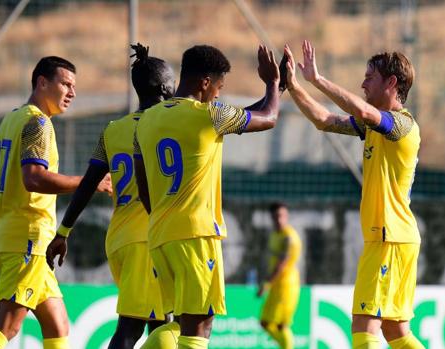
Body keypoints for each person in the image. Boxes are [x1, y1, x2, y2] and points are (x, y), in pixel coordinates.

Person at [133, 44, 281, 349]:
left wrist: (280, 89)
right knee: (200, 327)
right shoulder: (209, 115)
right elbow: (268, 117)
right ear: (205, 82)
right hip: (197, 234)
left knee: (179, 325)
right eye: (219, 86)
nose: (218, 94)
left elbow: (142, 181)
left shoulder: (146, 120)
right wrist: (273, 84)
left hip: (160, 233)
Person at [284, 41, 423, 349]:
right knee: (396, 332)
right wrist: (293, 86)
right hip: (394, 238)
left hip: (390, 237)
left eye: (369, 77)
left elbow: (362, 110)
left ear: (391, 83)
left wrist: (317, 79)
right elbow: (324, 120)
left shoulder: (401, 124)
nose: (362, 83)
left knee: (364, 326)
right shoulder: (375, 126)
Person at [46, 43, 179, 349]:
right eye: (173, 84)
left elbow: (89, 183)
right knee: (131, 329)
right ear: (163, 88)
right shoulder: (167, 125)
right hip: (145, 240)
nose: (177, 90)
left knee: (161, 322)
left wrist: (63, 231)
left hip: (119, 239)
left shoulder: (112, 130)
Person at [0, 56, 111, 349]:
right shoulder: (37, 123)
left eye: (74, 86)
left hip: (18, 238)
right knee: (7, 327)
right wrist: (90, 181)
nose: (72, 93)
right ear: (42, 82)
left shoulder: (10, 121)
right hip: (27, 237)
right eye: (65, 83)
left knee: (58, 326)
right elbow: (34, 179)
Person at [257, 202, 301, 349]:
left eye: (281, 215)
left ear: (286, 216)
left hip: (287, 285)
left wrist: (266, 284)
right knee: (264, 323)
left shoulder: (289, 237)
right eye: (276, 216)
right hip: (276, 284)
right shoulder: (274, 235)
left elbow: (281, 264)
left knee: (282, 325)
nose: (279, 219)